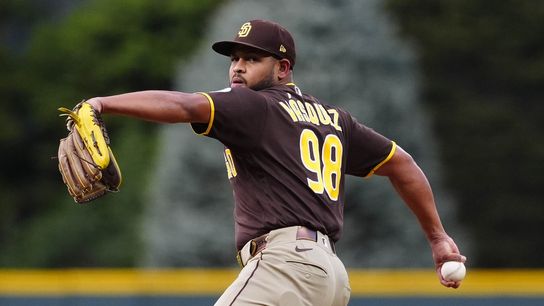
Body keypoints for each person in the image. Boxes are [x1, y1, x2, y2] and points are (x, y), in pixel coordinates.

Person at [84, 19, 466, 306]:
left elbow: (184, 105)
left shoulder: (255, 106)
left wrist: (102, 104)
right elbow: (402, 164)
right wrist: (437, 238)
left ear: (282, 69)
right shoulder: (335, 119)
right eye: (234, 59)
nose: (237, 68)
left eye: (252, 59)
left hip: (286, 266)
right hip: (330, 278)